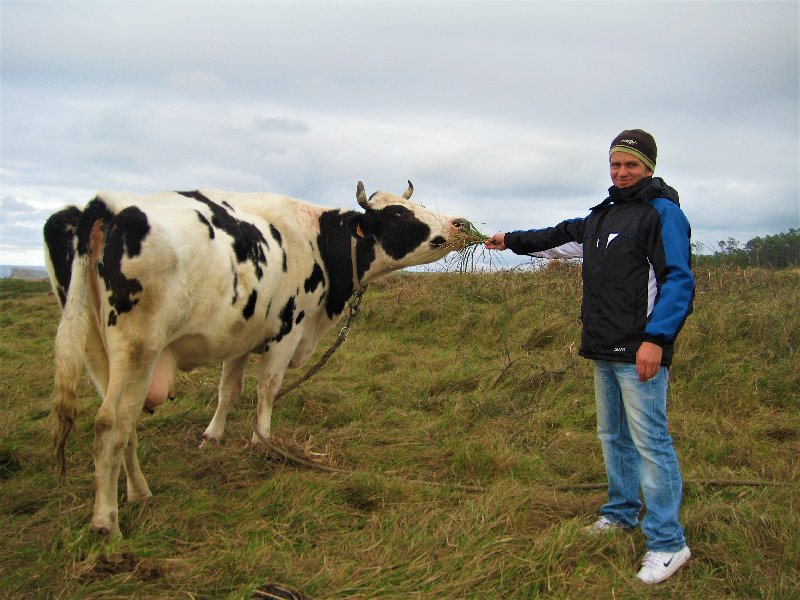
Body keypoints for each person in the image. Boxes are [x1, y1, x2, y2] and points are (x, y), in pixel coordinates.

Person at [485, 129, 695, 584]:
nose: (621, 172)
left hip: (641, 350)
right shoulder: (603, 216)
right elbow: (557, 238)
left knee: (651, 444)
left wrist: (656, 339)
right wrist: (507, 239)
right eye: (616, 164)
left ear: (649, 168)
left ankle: (668, 542)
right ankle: (620, 513)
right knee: (612, 436)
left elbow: (678, 279)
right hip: (603, 347)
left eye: (631, 165)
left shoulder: (663, 214)